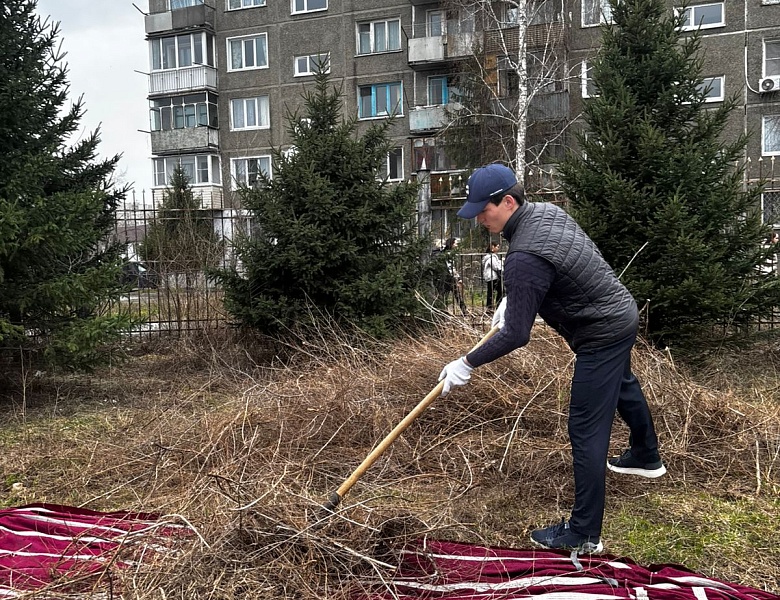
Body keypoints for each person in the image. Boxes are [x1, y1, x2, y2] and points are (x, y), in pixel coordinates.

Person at [437, 163, 665, 555]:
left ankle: (584, 533)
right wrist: (517, 296)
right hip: (620, 312)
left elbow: (517, 334)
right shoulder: (546, 213)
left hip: (600, 332)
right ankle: (646, 456)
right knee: (623, 382)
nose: (478, 218)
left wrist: (468, 362)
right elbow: (564, 263)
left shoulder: (523, 253)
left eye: (483, 210)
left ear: (507, 202)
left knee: (585, 429)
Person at [481, 241, 503, 311]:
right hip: (493, 277)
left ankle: (490, 307)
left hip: (490, 277)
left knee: (491, 292)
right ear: (493, 247)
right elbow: (495, 266)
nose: (498, 248)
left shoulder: (490, 257)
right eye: (497, 246)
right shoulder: (491, 257)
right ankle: (497, 306)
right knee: (500, 291)